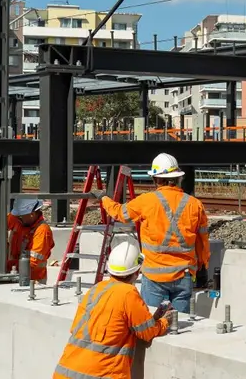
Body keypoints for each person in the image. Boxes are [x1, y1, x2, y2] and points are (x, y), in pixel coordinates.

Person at [93, 153, 210, 313]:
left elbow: (120, 213)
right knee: (179, 327)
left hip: (154, 277)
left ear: (156, 179)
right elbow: (202, 240)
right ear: (178, 178)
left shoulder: (146, 201)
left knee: (151, 325)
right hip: (184, 276)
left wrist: (104, 198)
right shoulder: (195, 204)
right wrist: (203, 266)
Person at [53, 242, 177, 379]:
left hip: (65, 371)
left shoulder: (96, 289)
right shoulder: (128, 293)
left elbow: (97, 328)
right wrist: (165, 321)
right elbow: (147, 333)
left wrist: (151, 320)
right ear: (137, 271)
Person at [6, 198, 54, 283]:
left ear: (32, 214)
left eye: (21, 216)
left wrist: (6, 265)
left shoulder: (42, 231)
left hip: (33, 281)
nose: (18, 218)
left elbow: (33, 263)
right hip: (14, 274)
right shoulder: (20, 219)